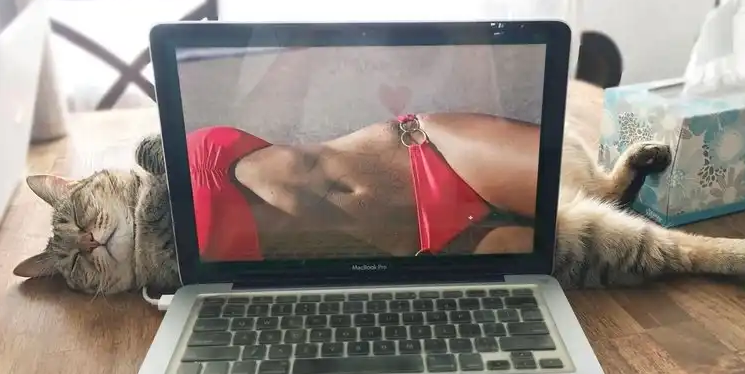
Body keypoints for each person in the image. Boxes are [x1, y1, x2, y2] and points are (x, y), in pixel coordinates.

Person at [187, 112, 541, 261]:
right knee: (552, 271)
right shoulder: (191, 247)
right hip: (422, 258)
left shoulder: (197, 156)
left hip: (420, 154)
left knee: (566, 186)